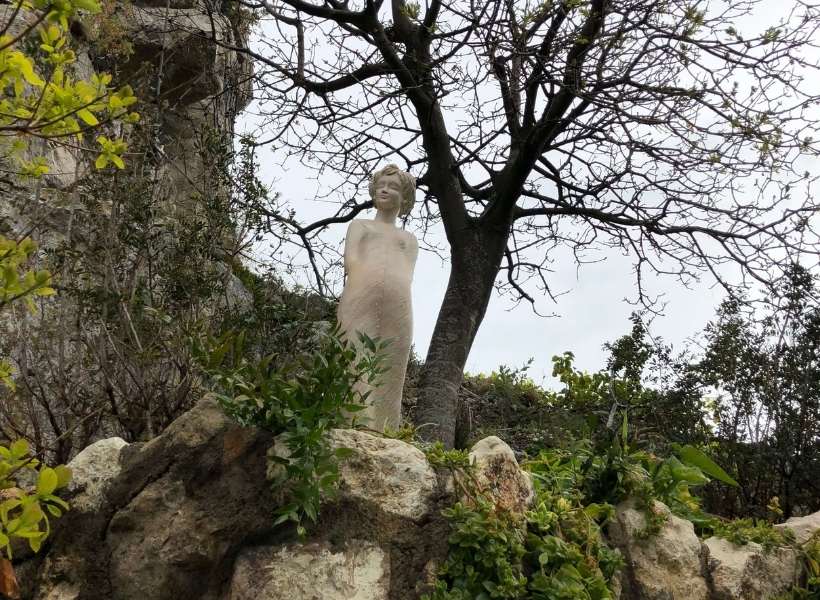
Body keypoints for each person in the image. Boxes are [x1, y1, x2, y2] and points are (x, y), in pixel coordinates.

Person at [337, 164, 418, 431]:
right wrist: (366, 284)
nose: (385, 189)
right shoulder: (360, 226)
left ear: (404, 198)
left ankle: (385, 429)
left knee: (392, 362)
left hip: (398, 302)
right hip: (360, 295)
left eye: (393, 187)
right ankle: (356, 422)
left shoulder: (408, 238)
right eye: (382, 185)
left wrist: (393, 291)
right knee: (355, 355)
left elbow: (407, 272)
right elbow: (352, 261)